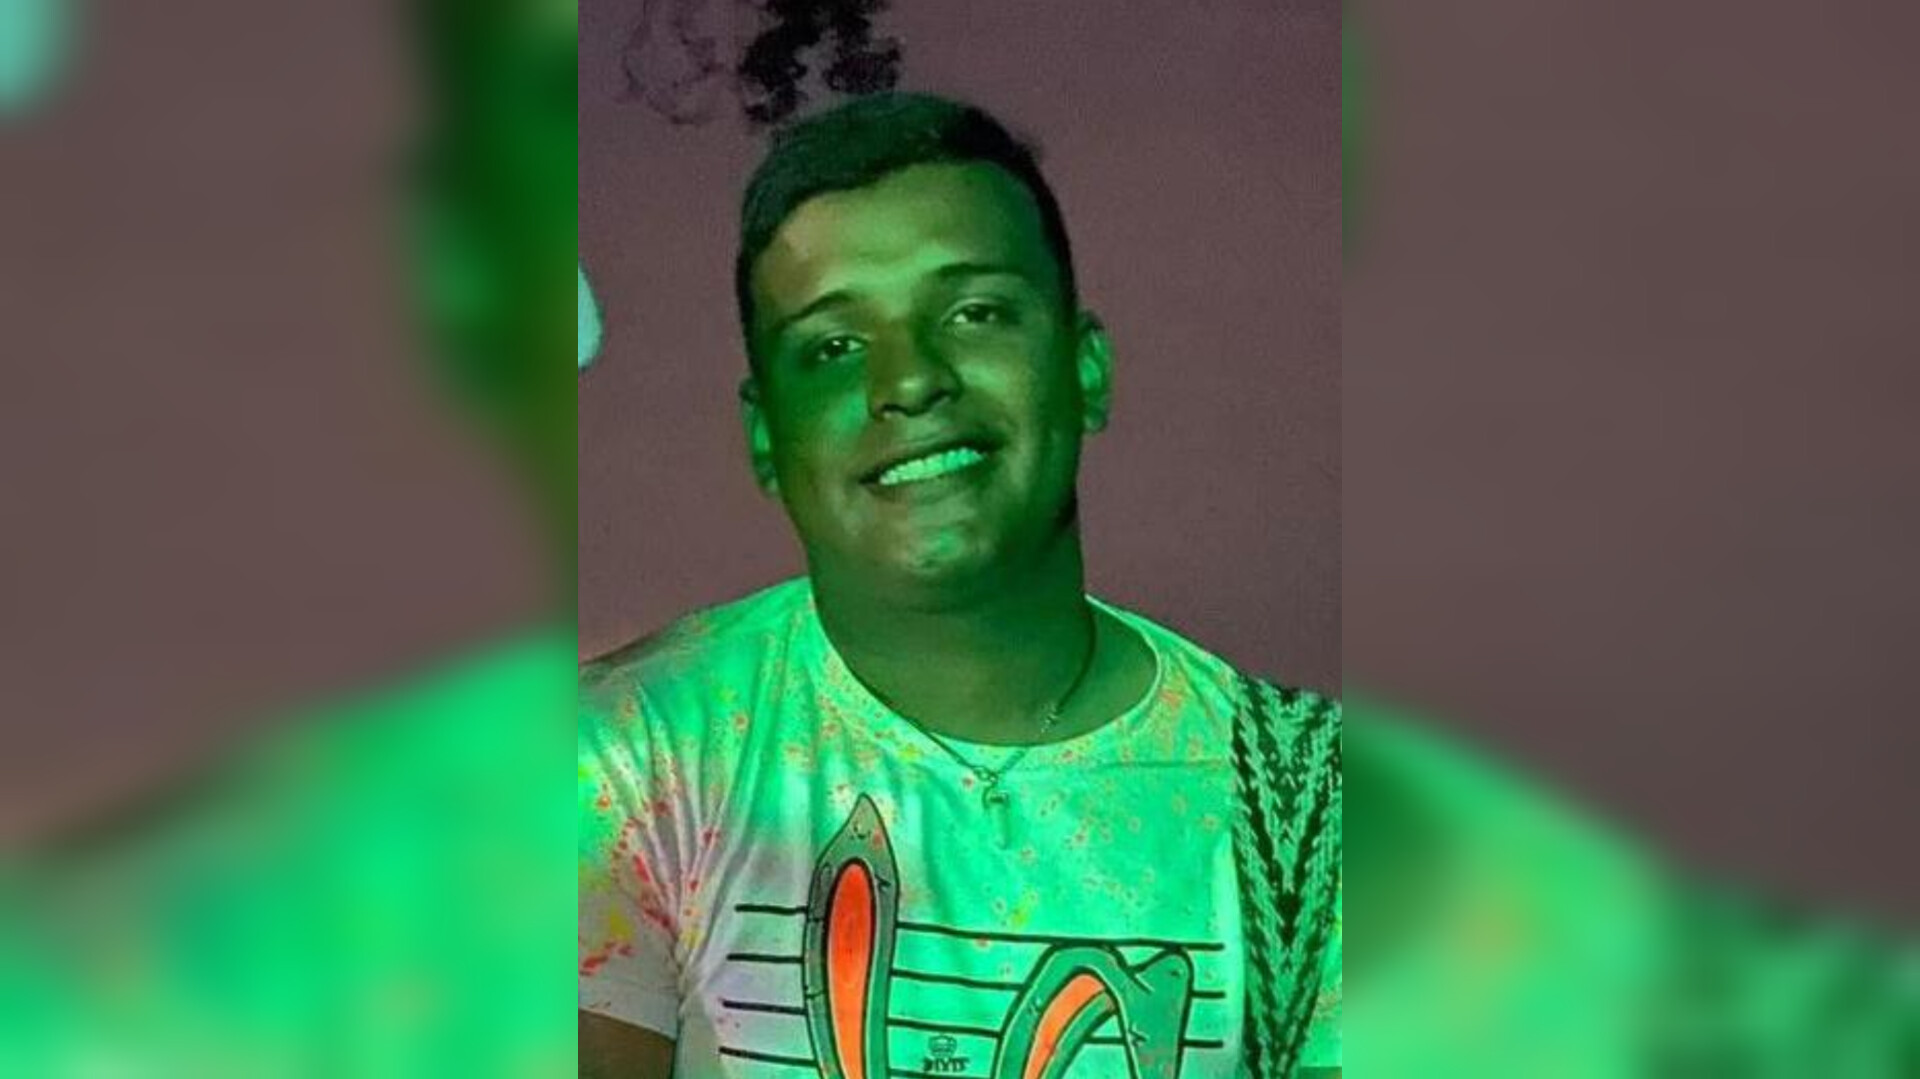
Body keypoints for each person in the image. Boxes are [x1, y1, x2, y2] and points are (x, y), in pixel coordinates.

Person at [579, 91, 1342, 1078]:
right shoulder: (626, 758)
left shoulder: (1308, 802)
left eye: (975, 313)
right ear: (766, 434)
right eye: (834, 346)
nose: (911, 379)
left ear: (1085, 369)